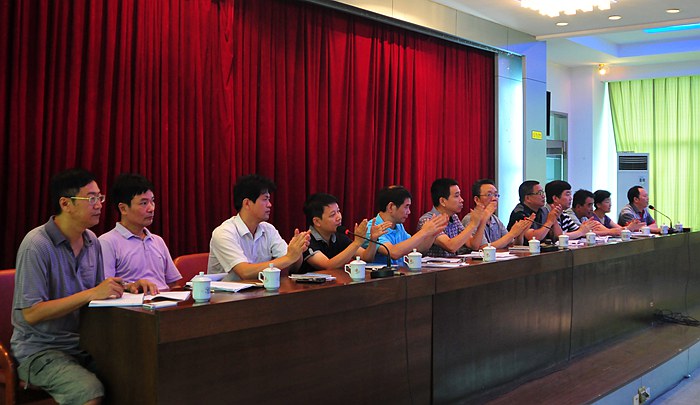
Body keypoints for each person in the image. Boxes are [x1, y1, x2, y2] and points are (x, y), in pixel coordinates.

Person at [11, 168, 126, 405]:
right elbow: (31, 313)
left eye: (100, 197)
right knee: (89, 391)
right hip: (40, 350)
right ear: (66, 203)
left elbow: (96, 295)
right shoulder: (36, 245)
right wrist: (92, 293)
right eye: (91, 198)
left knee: (137, 372)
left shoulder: (91, 241)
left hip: (83, 344)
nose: (99, 205)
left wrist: (125, 288)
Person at [208, 174, 310, 281]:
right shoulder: (224, 232)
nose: (269, 204)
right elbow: (245, 273)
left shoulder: (268, 229)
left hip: (261, 289)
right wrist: (289, 257)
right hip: (226, 291)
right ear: (247, 203)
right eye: (265, 199)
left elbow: (292, 267)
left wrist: (297, 252)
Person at [99, 174, 182, 295]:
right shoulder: (107, 242)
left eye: (152, 201)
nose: (151, 208)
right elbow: (105, 287)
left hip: (164, 301)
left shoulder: (157, 241)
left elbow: (173, 283)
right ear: (123, 209)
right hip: (133, 304)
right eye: (143, 203)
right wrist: (130, 286)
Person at [298, 193, 390, 273]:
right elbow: (328, 266)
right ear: (317, 221)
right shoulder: (306, 241)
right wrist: (356, 243)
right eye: (332, 214)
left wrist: (373, 239)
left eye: (338, 211)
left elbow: (366, 257)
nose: (339, 217)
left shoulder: (338, 236)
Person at [366, 185, 448, 265]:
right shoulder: (372, 228)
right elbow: (393, 253)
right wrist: (424, 231)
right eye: (406, 207)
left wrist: (433, 233)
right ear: (391, 207)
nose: (409, 212)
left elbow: (417, 249)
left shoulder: (399, 226)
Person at [462, 179, 531, 249]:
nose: (494, 198)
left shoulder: (495, 219)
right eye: (489, 195)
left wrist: (520, 234)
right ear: (477, 200)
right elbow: (483, 248)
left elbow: (511, 244)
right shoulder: (470, 219)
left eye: (496, 195)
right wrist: (511, 234)